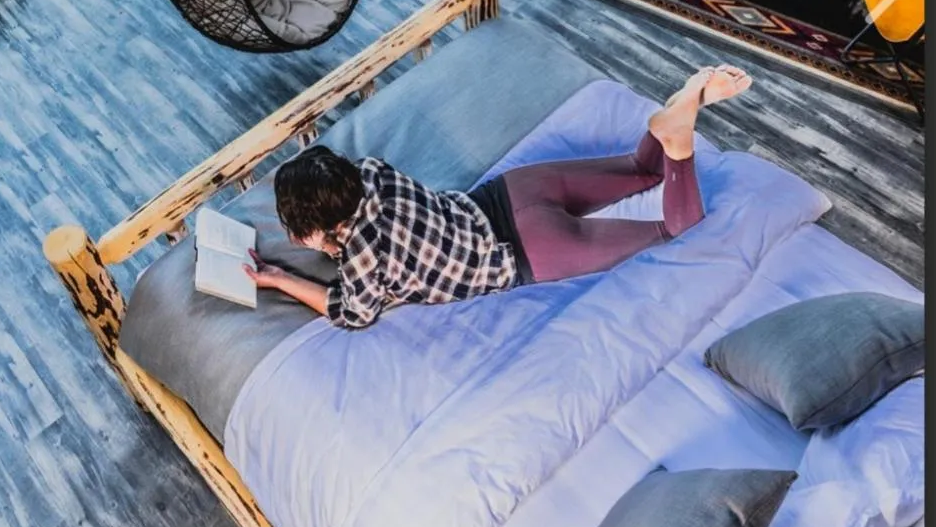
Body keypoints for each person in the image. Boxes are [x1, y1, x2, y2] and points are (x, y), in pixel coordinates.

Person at [244, 64, 752, 328]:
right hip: (509, 194)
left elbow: (350, 312)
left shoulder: (360, 257)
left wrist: (279, 277)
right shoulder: (372, 172)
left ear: (323, 228)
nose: (291, 235)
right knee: (639, 169)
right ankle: (676, 113)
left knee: (675, 232)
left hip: (530, 250)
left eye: (296, 228)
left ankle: (680, 143)